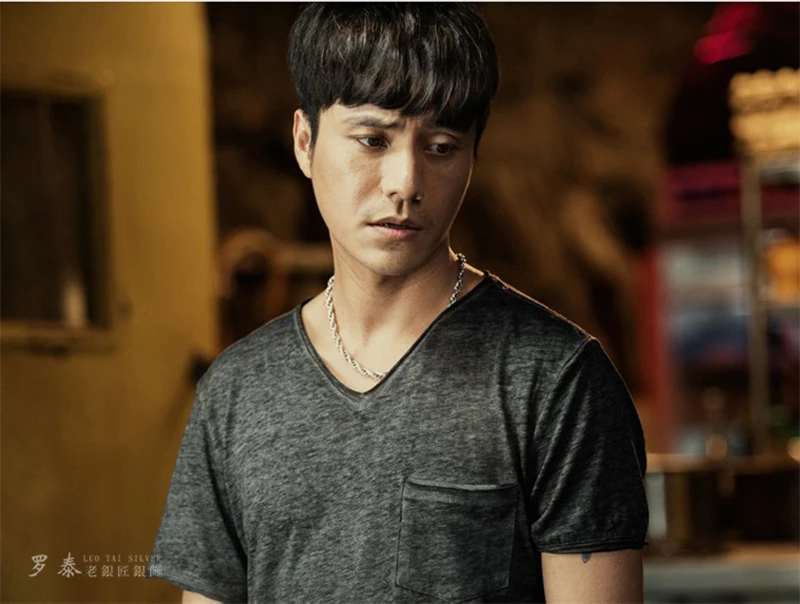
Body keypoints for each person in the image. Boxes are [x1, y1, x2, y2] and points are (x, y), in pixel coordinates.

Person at [148, 4, 649, 603]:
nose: (405, 183)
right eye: (373, 140)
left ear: (473, 157)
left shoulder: (556, 382)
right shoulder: (237, 391)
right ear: (305, 143)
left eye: (440, 146)